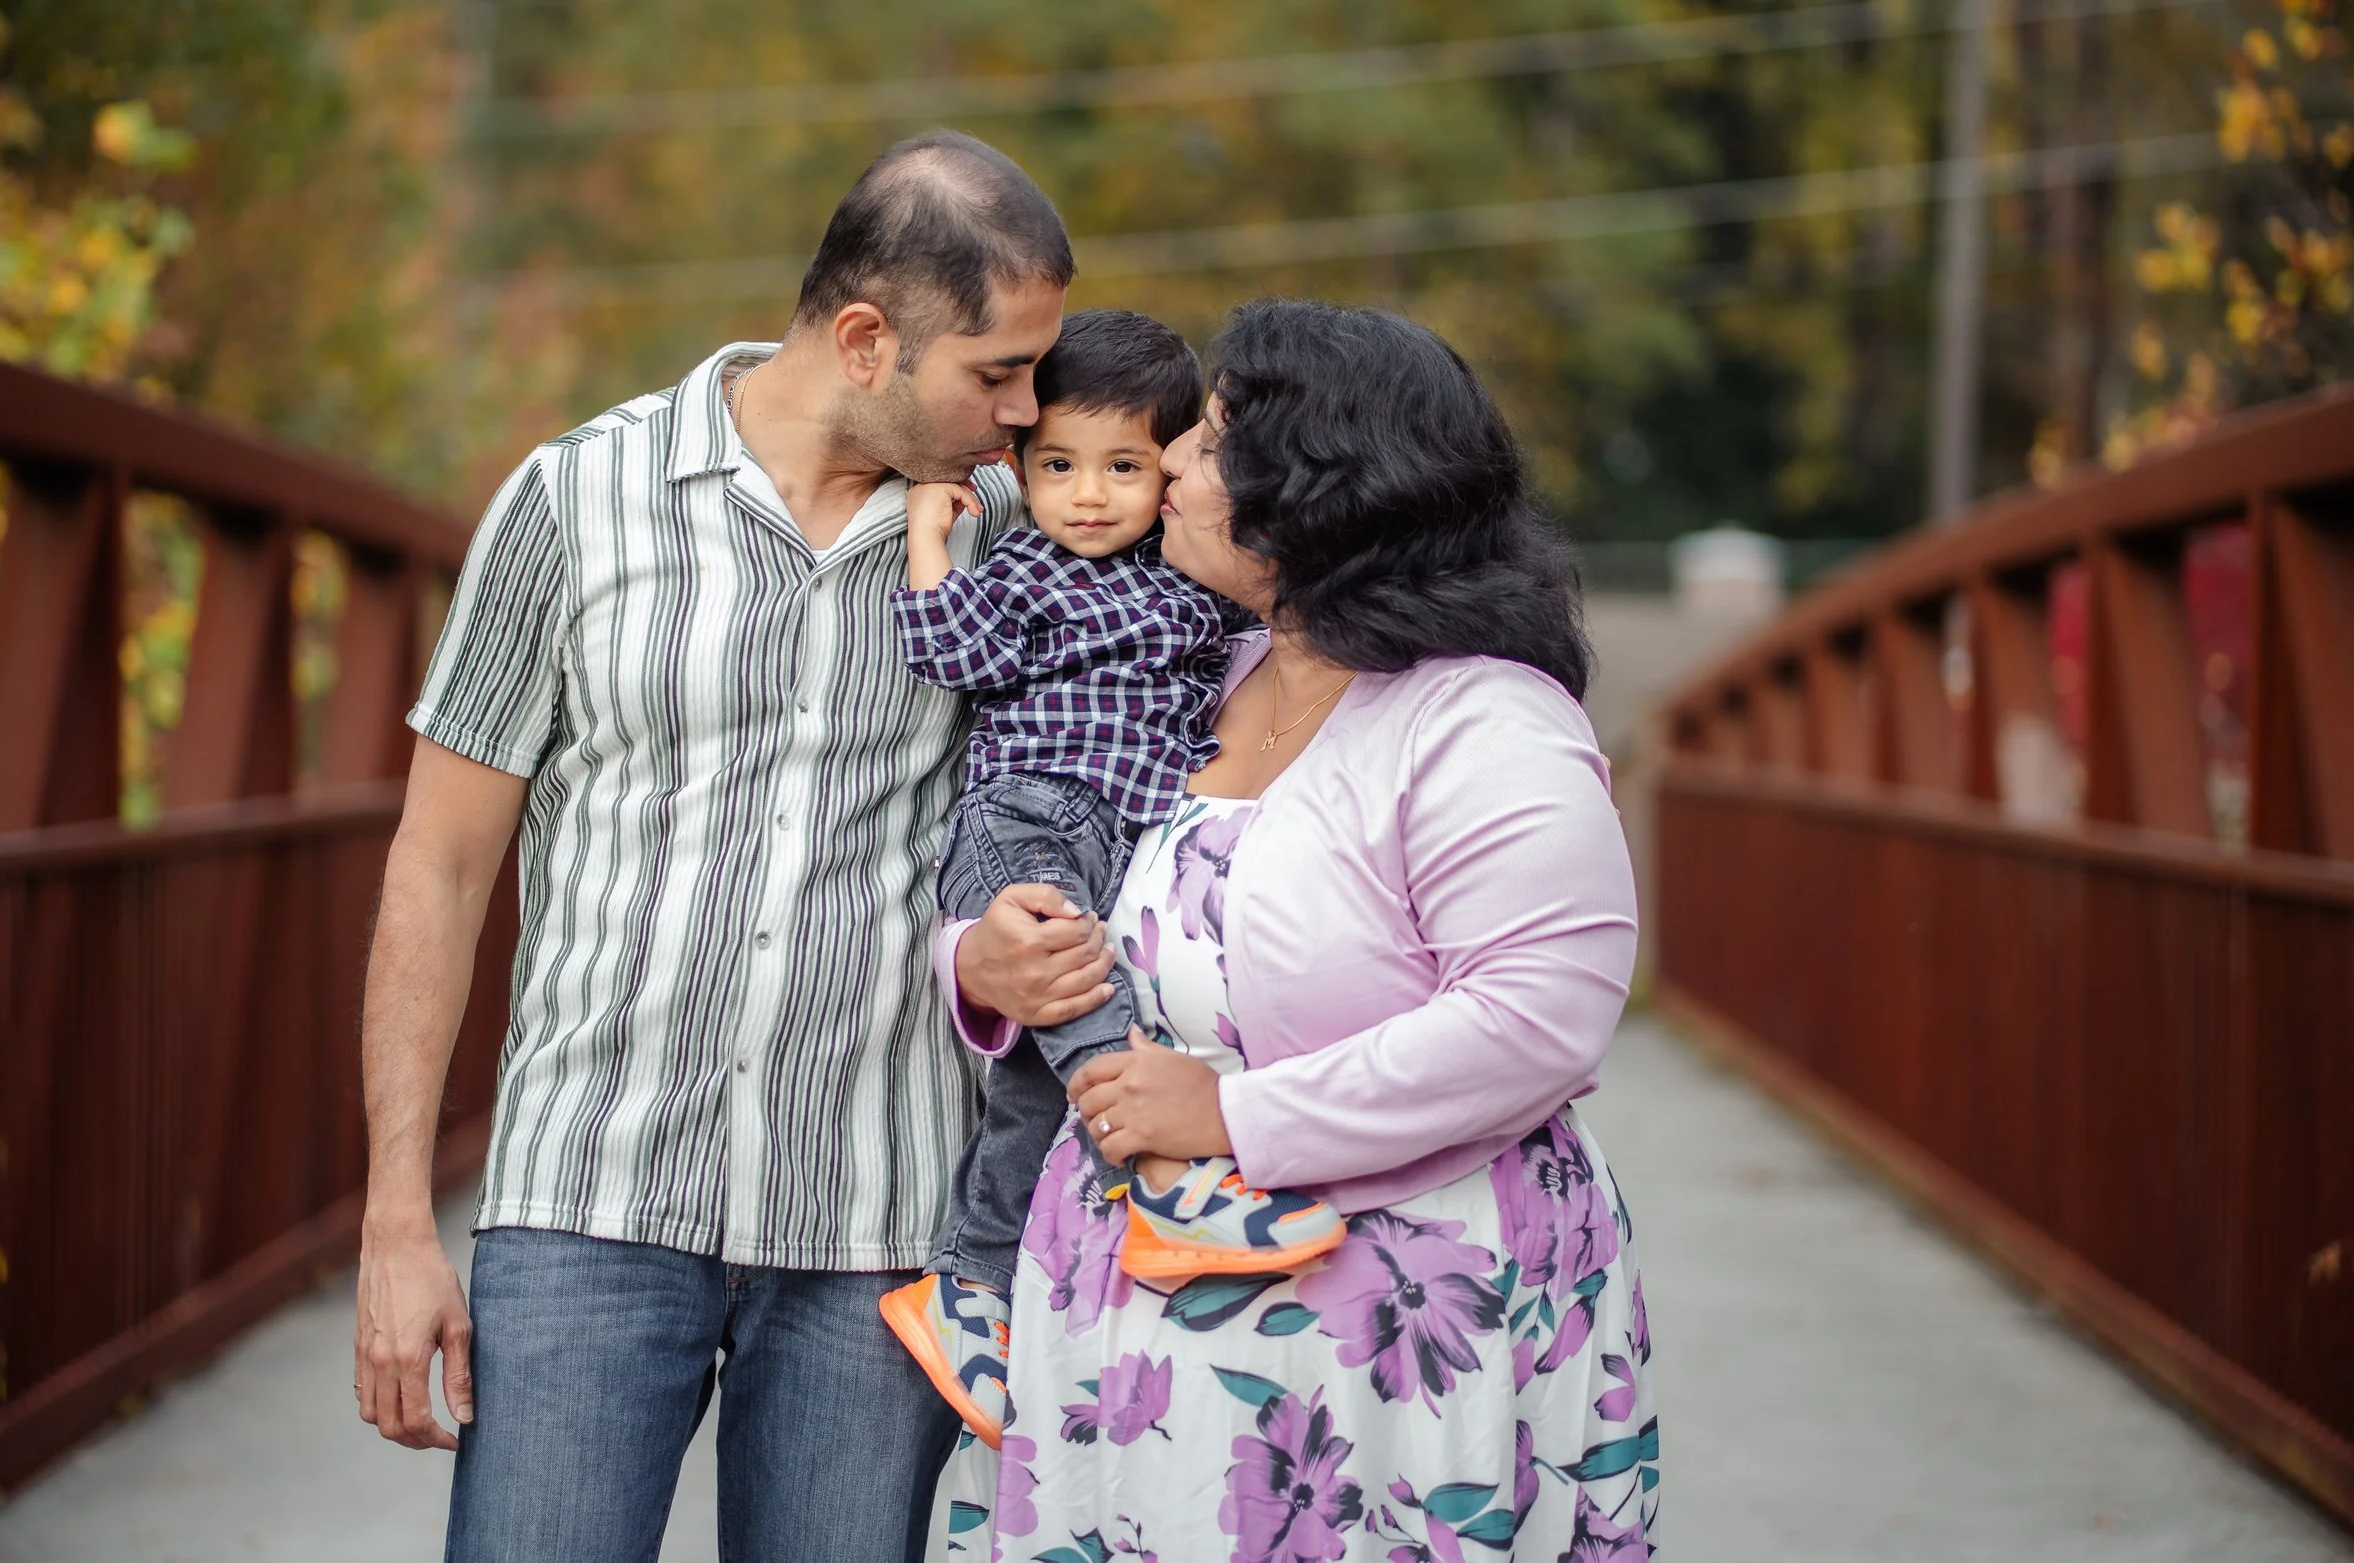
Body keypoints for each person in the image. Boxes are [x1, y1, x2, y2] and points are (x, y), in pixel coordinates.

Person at [348, 130, 1114, 1563]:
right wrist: (396, 1219)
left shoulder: (1020, 537)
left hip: (878, 1221)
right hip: (588, 1200)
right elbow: (437, 867)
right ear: (868, 340)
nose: (1026, 414)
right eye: (998, 373)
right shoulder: (573, 499)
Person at [945, 299, 1660, 1559]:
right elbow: (1038, 853)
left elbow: (1537, 1020)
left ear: (1317, 491)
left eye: (1212, 440)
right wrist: (976, 961)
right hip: (1132, 1308)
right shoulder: (1195, 676)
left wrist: (1232, 1115)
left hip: (1388, 1318)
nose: (1170, 459)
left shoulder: (1483, 721)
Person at [877, 310, 1345, 1453]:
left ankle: (968, 1286)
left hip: (1123, 843)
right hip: (1026, 822)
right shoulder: (1027, 572)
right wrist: (932, 535)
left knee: (1033, 1091)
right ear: (1020, 468)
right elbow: (950, 650)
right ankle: (1169, 1172)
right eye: (1058, 468)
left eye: (1124, 468)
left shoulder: (1192, 582)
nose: (1088, 496)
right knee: (1085, 991)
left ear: (1172, 467)